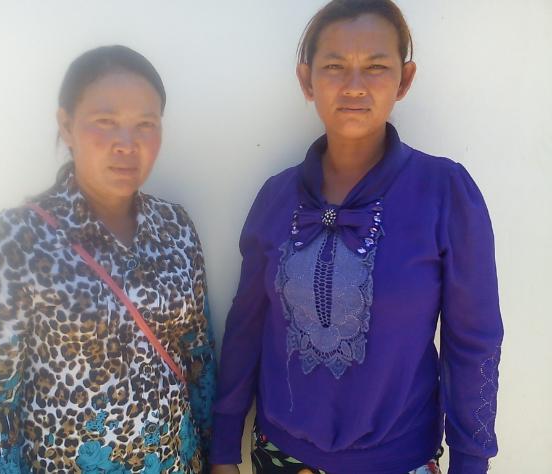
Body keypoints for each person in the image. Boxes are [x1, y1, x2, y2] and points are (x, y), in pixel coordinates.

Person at [210, 1, 502, 473]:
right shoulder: (276, 197)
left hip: (400, 459)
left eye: (376, 67)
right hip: (280, 454)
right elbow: (246, 327)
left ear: (404, 79)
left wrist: (471, 463)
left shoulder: (445, 193)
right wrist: (224, 447)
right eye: (334, 66)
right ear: (307, 80)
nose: (354, 85)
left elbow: (473, 342)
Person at [0, 45, 216, 473]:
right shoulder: (18, 240)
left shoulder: (175, 227)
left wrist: (213, 457)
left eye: (145, 125)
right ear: (66, 125)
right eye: (105, 122)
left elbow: (199, 358)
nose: (127, 144)